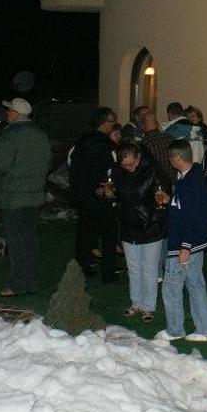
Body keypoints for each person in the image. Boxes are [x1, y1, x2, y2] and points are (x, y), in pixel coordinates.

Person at [0, 98, 52, 297]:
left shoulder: (9, 136)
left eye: (9, 110)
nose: (7, 113)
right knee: (30, 240)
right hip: (34, 196)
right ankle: (31, 281)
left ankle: (17, 284)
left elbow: (0, 165)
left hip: (13, 197)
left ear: (16, 113)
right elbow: (48, 163)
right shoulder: (41, 135)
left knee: (16, 243)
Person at [155, 140, 207, 343]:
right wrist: (170, 200)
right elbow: (187, 207)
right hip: (195, 242)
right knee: (195, 284)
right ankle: (205, 329)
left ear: (177, 158)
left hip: (184, 243)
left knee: (171, 287)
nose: (169, 161)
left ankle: (175, 329)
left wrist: (185, 246)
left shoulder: (190, 182)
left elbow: (192, 216)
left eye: (170, 158)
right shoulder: (192, 177)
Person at [114, 142, 167, 323]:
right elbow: (120, 195)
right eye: (124, 165)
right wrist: (111, 192)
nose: (129, 168)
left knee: (149, 269)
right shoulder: (119, 172)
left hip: (150, 227)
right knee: (133, 268)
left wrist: (157, 211)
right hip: (129, 226)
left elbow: (162, 196)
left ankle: (148, 307)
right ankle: (136, 303)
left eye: (131, 164)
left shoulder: (154, 171)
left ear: (138, 157)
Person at [69, 106, 122, 282]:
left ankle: (82, 268)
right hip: (100, 195)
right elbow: (108, 169)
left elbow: (74, 166)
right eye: (112, 122)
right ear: (105, 122)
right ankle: (108, 272)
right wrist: (103, 187)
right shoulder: (103, 144)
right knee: (109, 234)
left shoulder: (82, 141)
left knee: (85, 234)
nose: (113, 126)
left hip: (84, 195)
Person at [139, 111, 175, 187]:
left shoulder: (145, 143)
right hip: (172, 182)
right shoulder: (171, 138)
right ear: (157, 123)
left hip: (156, 185)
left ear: (142, 126)